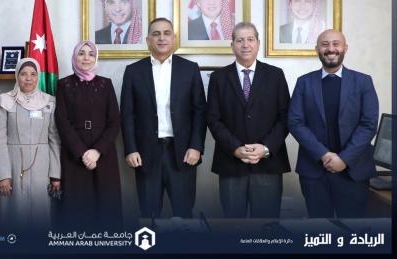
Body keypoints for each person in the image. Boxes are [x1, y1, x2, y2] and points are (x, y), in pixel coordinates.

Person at [121, 17, 207, 219]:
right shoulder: (133, 71)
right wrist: (131, 149)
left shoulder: (190, 68)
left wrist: (196, 146)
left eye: (167, 33)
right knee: (149, 215)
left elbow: (199, 111)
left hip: (183, 153)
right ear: (148, 40)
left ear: (174, 38)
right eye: (156, 34)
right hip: (145, 154)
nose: (162, 38)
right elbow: (127, 114)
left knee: (184, 213)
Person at [288, 29, 379, 218]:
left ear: (345, 48)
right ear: (317, 50)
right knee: (319, 228)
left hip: (353, 171)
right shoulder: (304, 82)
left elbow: (368, 124)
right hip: (314, 172)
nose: (331, 49)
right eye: (325, 44)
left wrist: (344, 159)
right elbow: (295, 122)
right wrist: (323, 154)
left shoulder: (363, 81)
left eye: (336, 44)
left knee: (353, 230)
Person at [207, 22, 291, 218]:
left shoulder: (275, 75)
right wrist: (235, 148)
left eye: (250, 39)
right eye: (240, 40)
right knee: (233, 225)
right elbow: (213, 119)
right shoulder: (218, 78)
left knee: (267, 225)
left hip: (268, 164)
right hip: (231, 163)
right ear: (232, 45)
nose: (245, 45)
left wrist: (266, 148)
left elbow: (286, 117)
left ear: (258, 43)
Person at [55, 40, 123, 230]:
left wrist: (97, 151)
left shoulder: (106, 84)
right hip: (74, 155)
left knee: (106, 209)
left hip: (103, 154)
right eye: (81, 53)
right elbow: (61, 121)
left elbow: (114, 121)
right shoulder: (63, 85)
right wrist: (82, 153)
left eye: (91, 54)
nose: (86, 58)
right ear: (74, 57)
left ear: (96, 58)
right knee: (77, 210)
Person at [0, 58, 61, 231]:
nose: (28, 78)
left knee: (40, 218)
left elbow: (54, 140)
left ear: (38, 77)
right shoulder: (4, 100)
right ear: (17, 76)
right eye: (23, 74)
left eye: (33, 74)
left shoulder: (50, 101)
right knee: (12, 220)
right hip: (12, 167)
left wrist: (55, 175)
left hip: (42, 170)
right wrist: (3, 175)